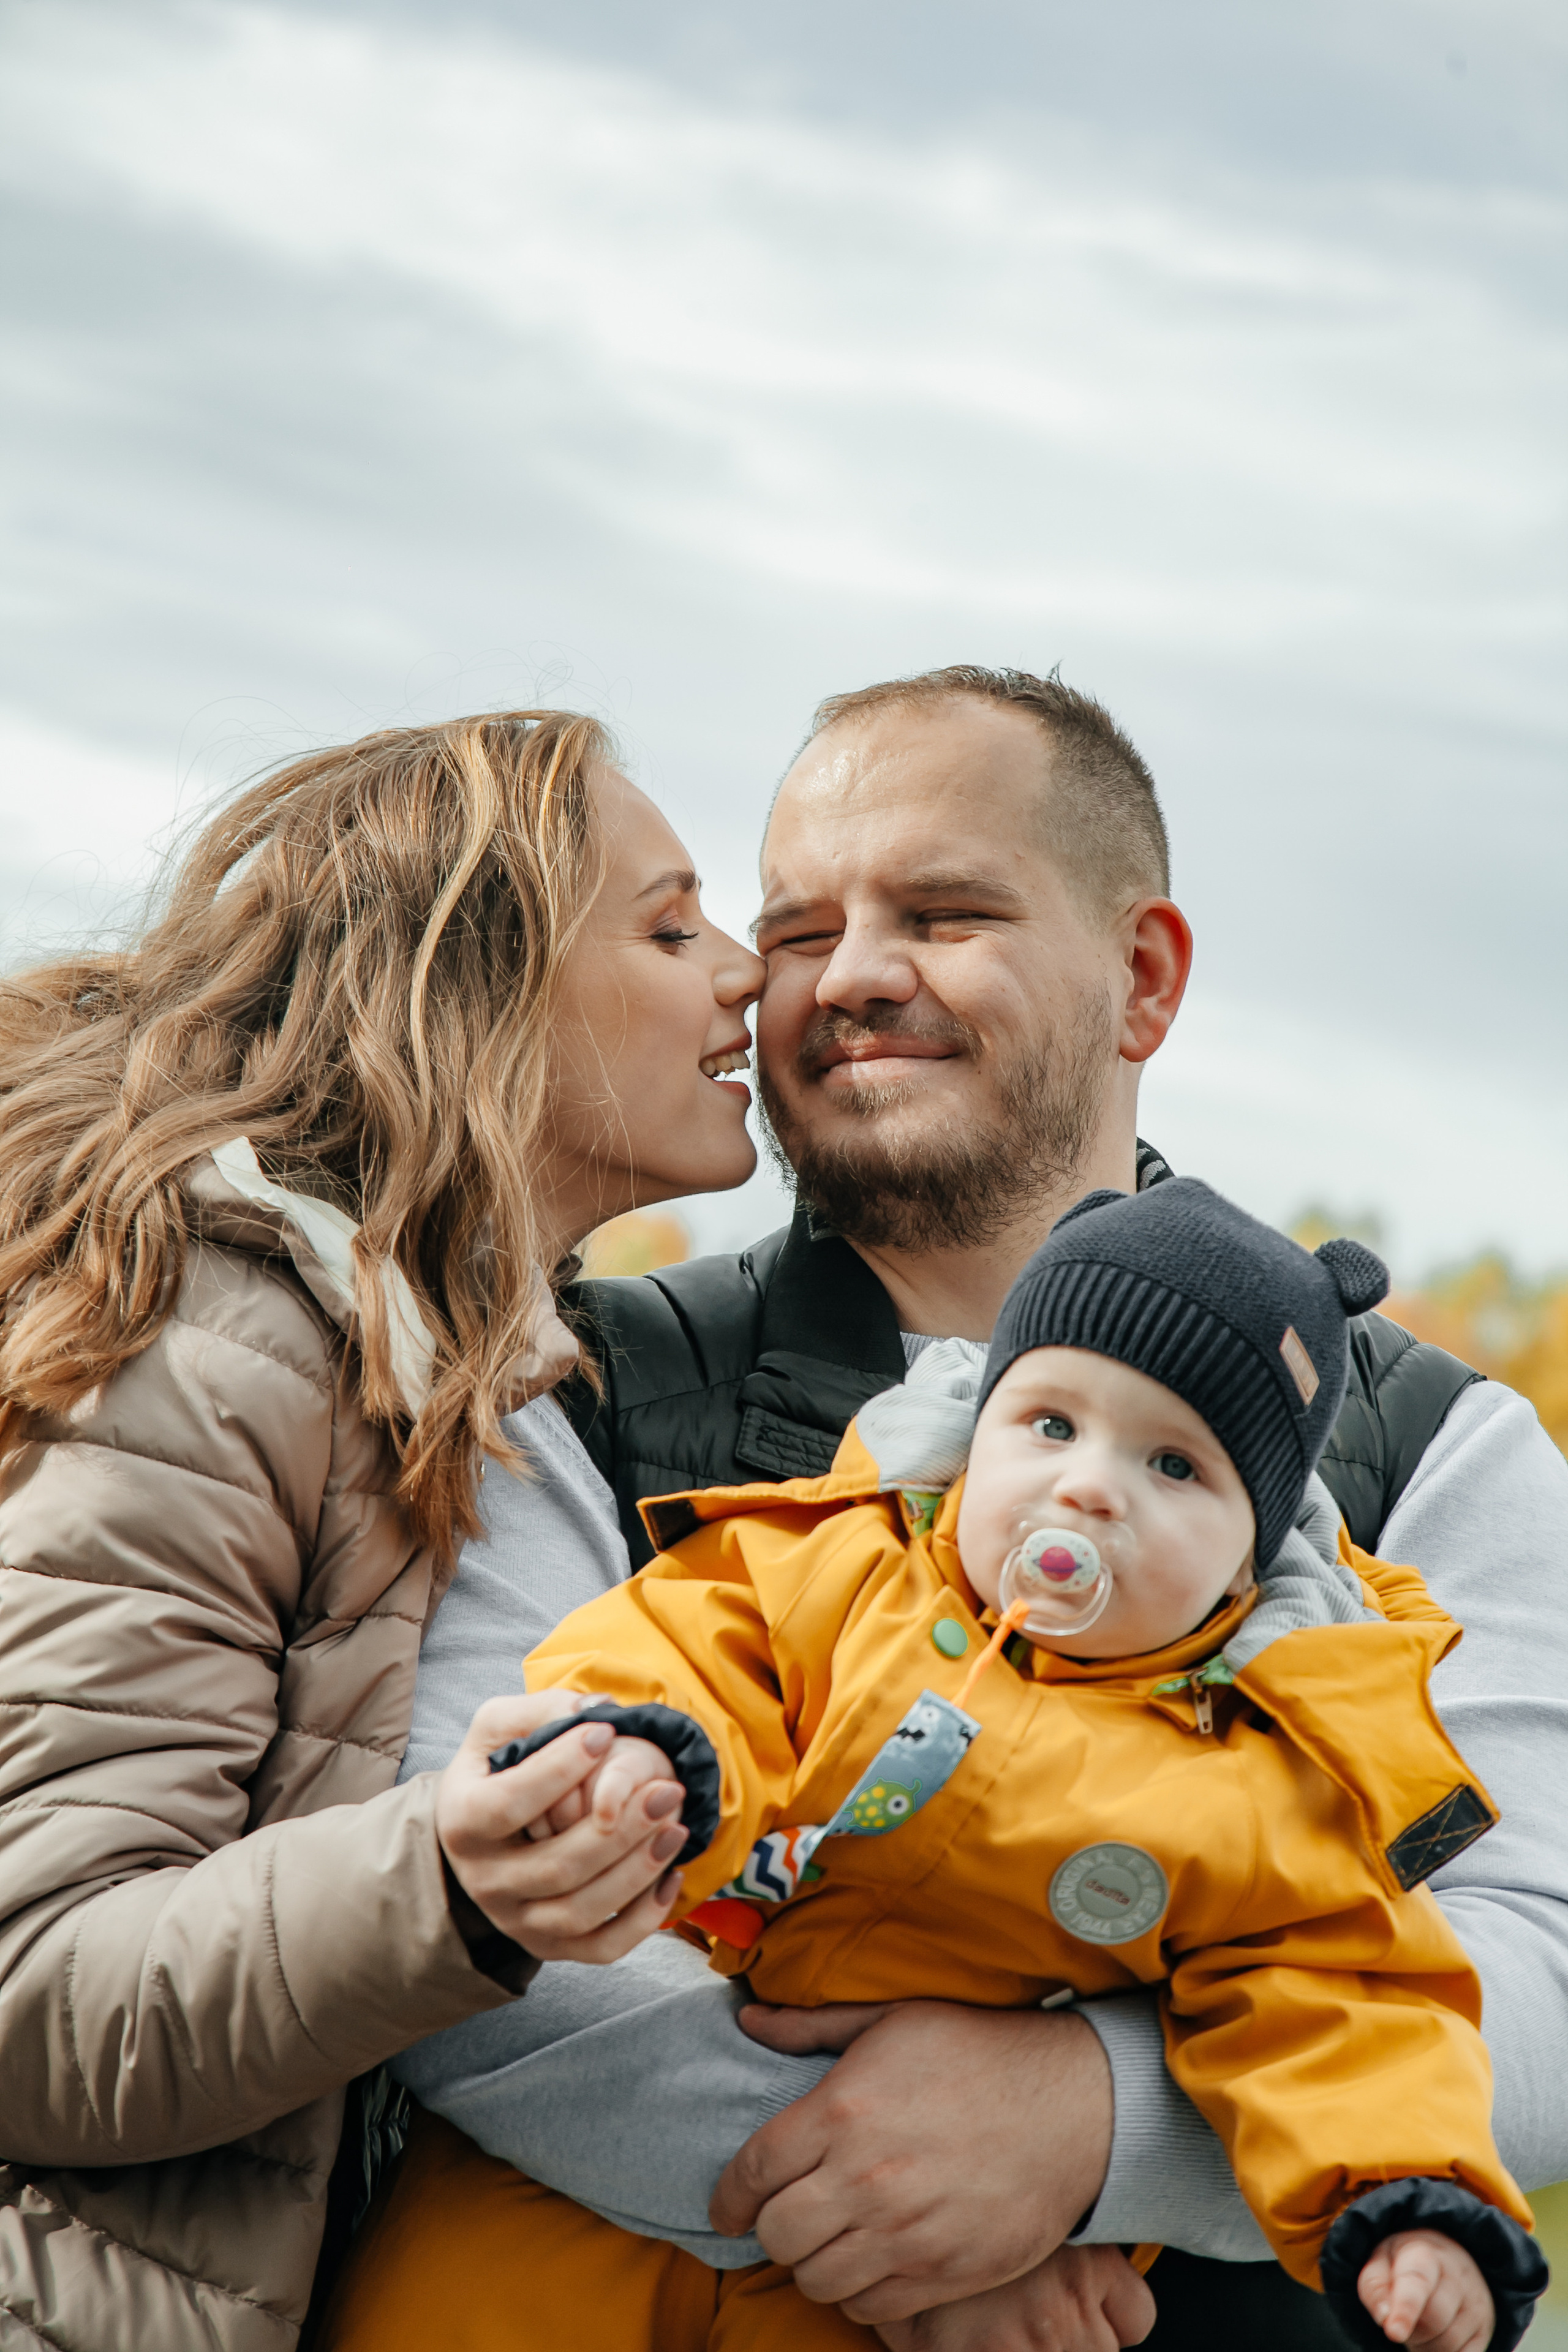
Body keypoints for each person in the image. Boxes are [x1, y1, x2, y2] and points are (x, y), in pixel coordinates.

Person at [342, 668, 1568, 2352]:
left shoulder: (1434, 1447)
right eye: (795, 930)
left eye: (943, 911)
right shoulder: (579, 1387)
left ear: (1142, 978)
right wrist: (892, 2209)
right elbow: (462, 1930)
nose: (850, 977)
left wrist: (1090, 2129)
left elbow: (1544, 1961)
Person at [0, 709, 769, 2351]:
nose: (748, 967)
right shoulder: (218, 1344)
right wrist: (445, 1886)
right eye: (671, 923)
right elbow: (33, 1991)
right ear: (481, 986)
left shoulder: (454, 1373)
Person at [503, 1178, 1545, 2352]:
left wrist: (1415, 2203)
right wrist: (637, 1766)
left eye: (1174, 1468)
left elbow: (1346, 2007)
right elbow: (689, 1650)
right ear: (974, 1423)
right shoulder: (843, 1565)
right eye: (1051, 1425)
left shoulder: (1256, 1784)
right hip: (619, 2186)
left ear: (1247, 1566)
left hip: (982, 2272)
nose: (1089, 1485)